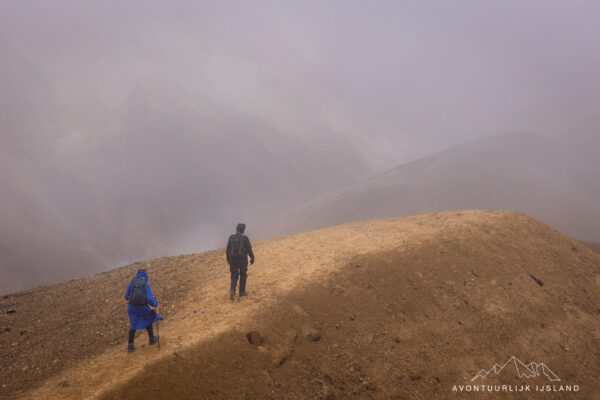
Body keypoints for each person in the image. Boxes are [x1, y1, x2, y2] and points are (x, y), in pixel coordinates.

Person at [124, 268, 163, 352]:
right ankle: (152, 339)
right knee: (148, 319)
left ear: (137, 274)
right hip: (142, 307)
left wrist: (133, 298)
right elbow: (149, 299)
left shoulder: (131, 283)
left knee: (133, 325)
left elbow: (126, 297)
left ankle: (130, 346)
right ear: (145, 274)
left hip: (132, 307)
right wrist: (155, 303)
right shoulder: (145, 284)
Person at [226, 223, 255, 300]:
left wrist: (228, 260)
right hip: (242, 260)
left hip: (233, 260)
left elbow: (228, 250)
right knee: (243, 275)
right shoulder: (245, 238)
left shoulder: (231, 237)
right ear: (243, 230)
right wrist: (252, 258)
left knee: (234, 276)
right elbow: (249, 249)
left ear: (236, 229)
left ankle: (232, 290)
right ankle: (242, 293)